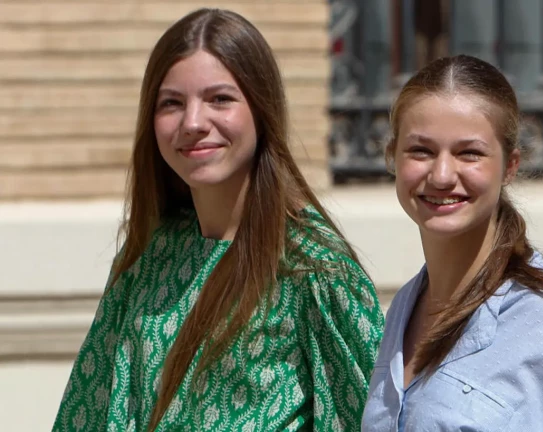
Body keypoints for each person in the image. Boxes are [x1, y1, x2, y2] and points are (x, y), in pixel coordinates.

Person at [52, 8, 384, 432]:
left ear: (261, 110)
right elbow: (89, 410)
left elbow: (371, 418)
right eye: (171, 103)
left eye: (220, 99)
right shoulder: (148, 257)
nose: (192, 123)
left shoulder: (313, 270)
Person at [362, 55, 543, 431]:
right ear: (393, 156)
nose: (441, 175)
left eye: (468, 153)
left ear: (510, 166)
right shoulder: (403, 311)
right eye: (421, 151)